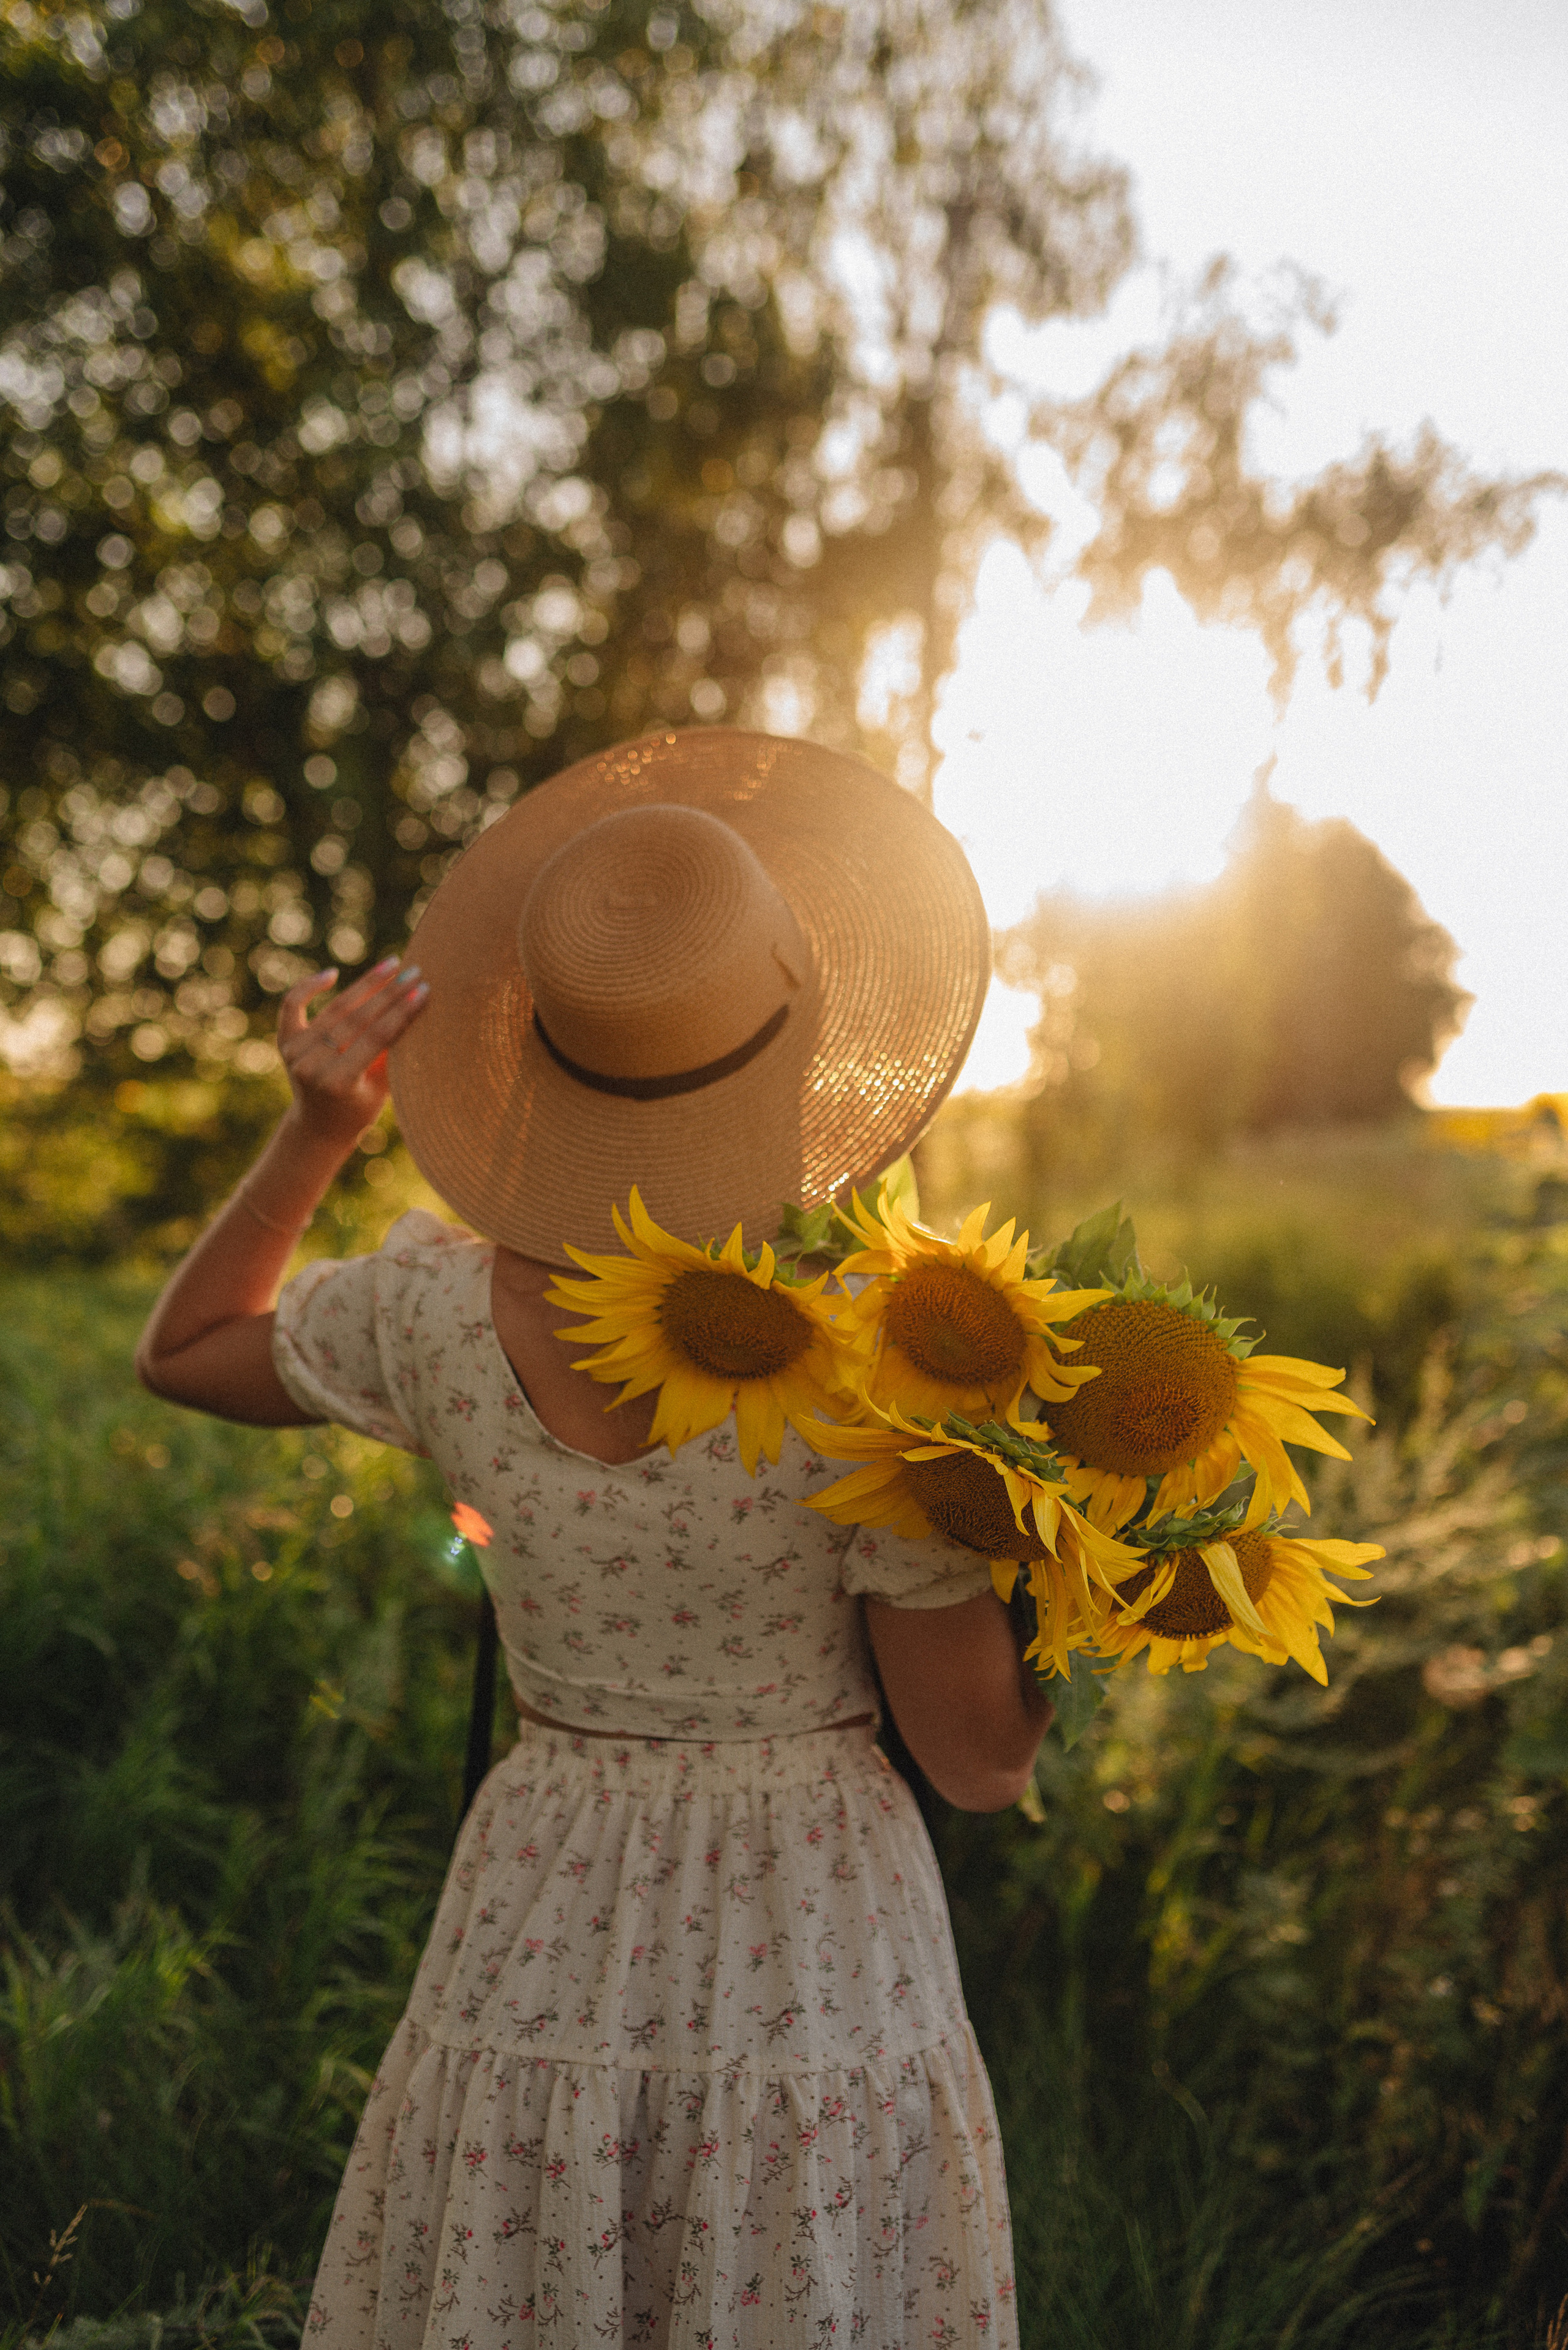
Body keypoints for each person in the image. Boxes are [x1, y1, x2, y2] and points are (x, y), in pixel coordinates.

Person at [137, 727, 1054, 2348]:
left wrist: (320, 1127)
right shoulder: (879, 1372)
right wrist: (1062, 1577)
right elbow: (977, 1761)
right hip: (808, 1925)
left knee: (537, 2249)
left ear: (541, 1054)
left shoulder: (431, 1309)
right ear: (795, 1036)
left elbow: (188, 1351)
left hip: (547, 1890)